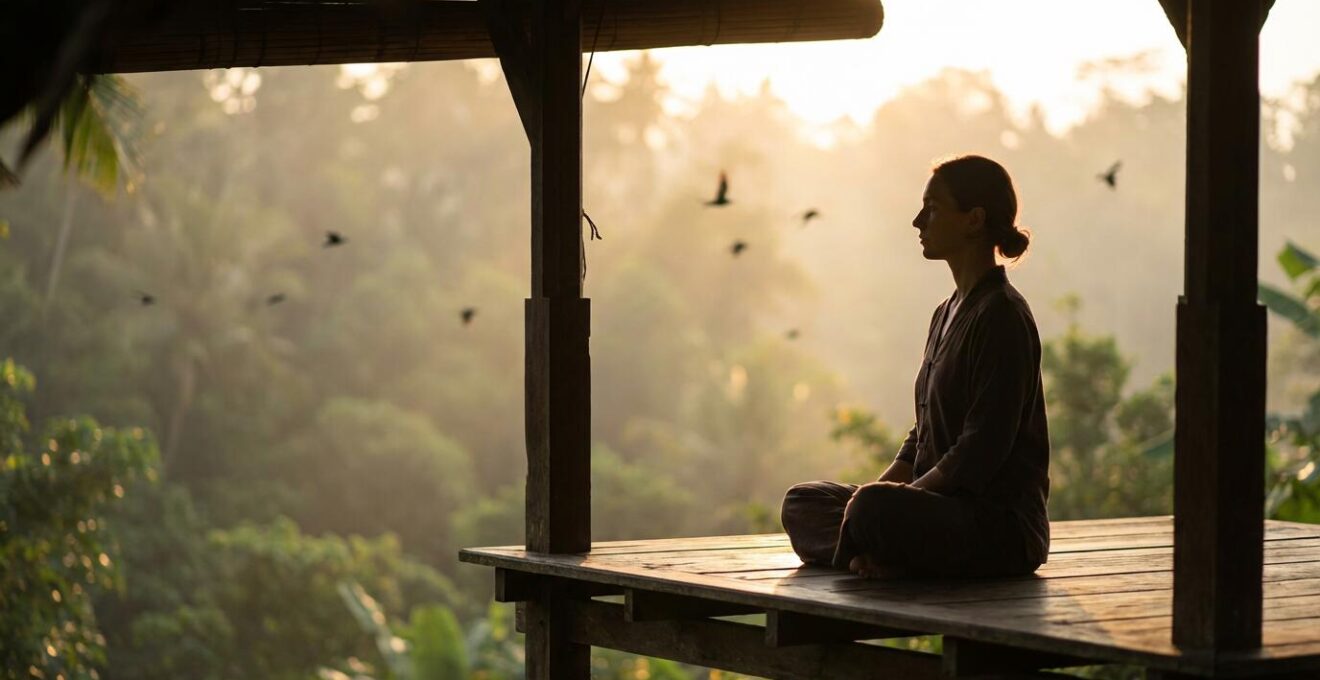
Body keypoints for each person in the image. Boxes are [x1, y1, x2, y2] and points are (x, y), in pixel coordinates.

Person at [780, 155, 1050, 579]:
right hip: (932, 510)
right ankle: (868, 557)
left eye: (933, 208)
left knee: (873, 508)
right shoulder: (945, 312)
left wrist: (879, 502)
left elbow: (980, 452)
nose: (918, 221)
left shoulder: (1003, 316)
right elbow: (920, 438)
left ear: (973, 220)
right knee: (803, 502)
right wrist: (872, 496)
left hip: (996, 528)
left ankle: (874, 550)